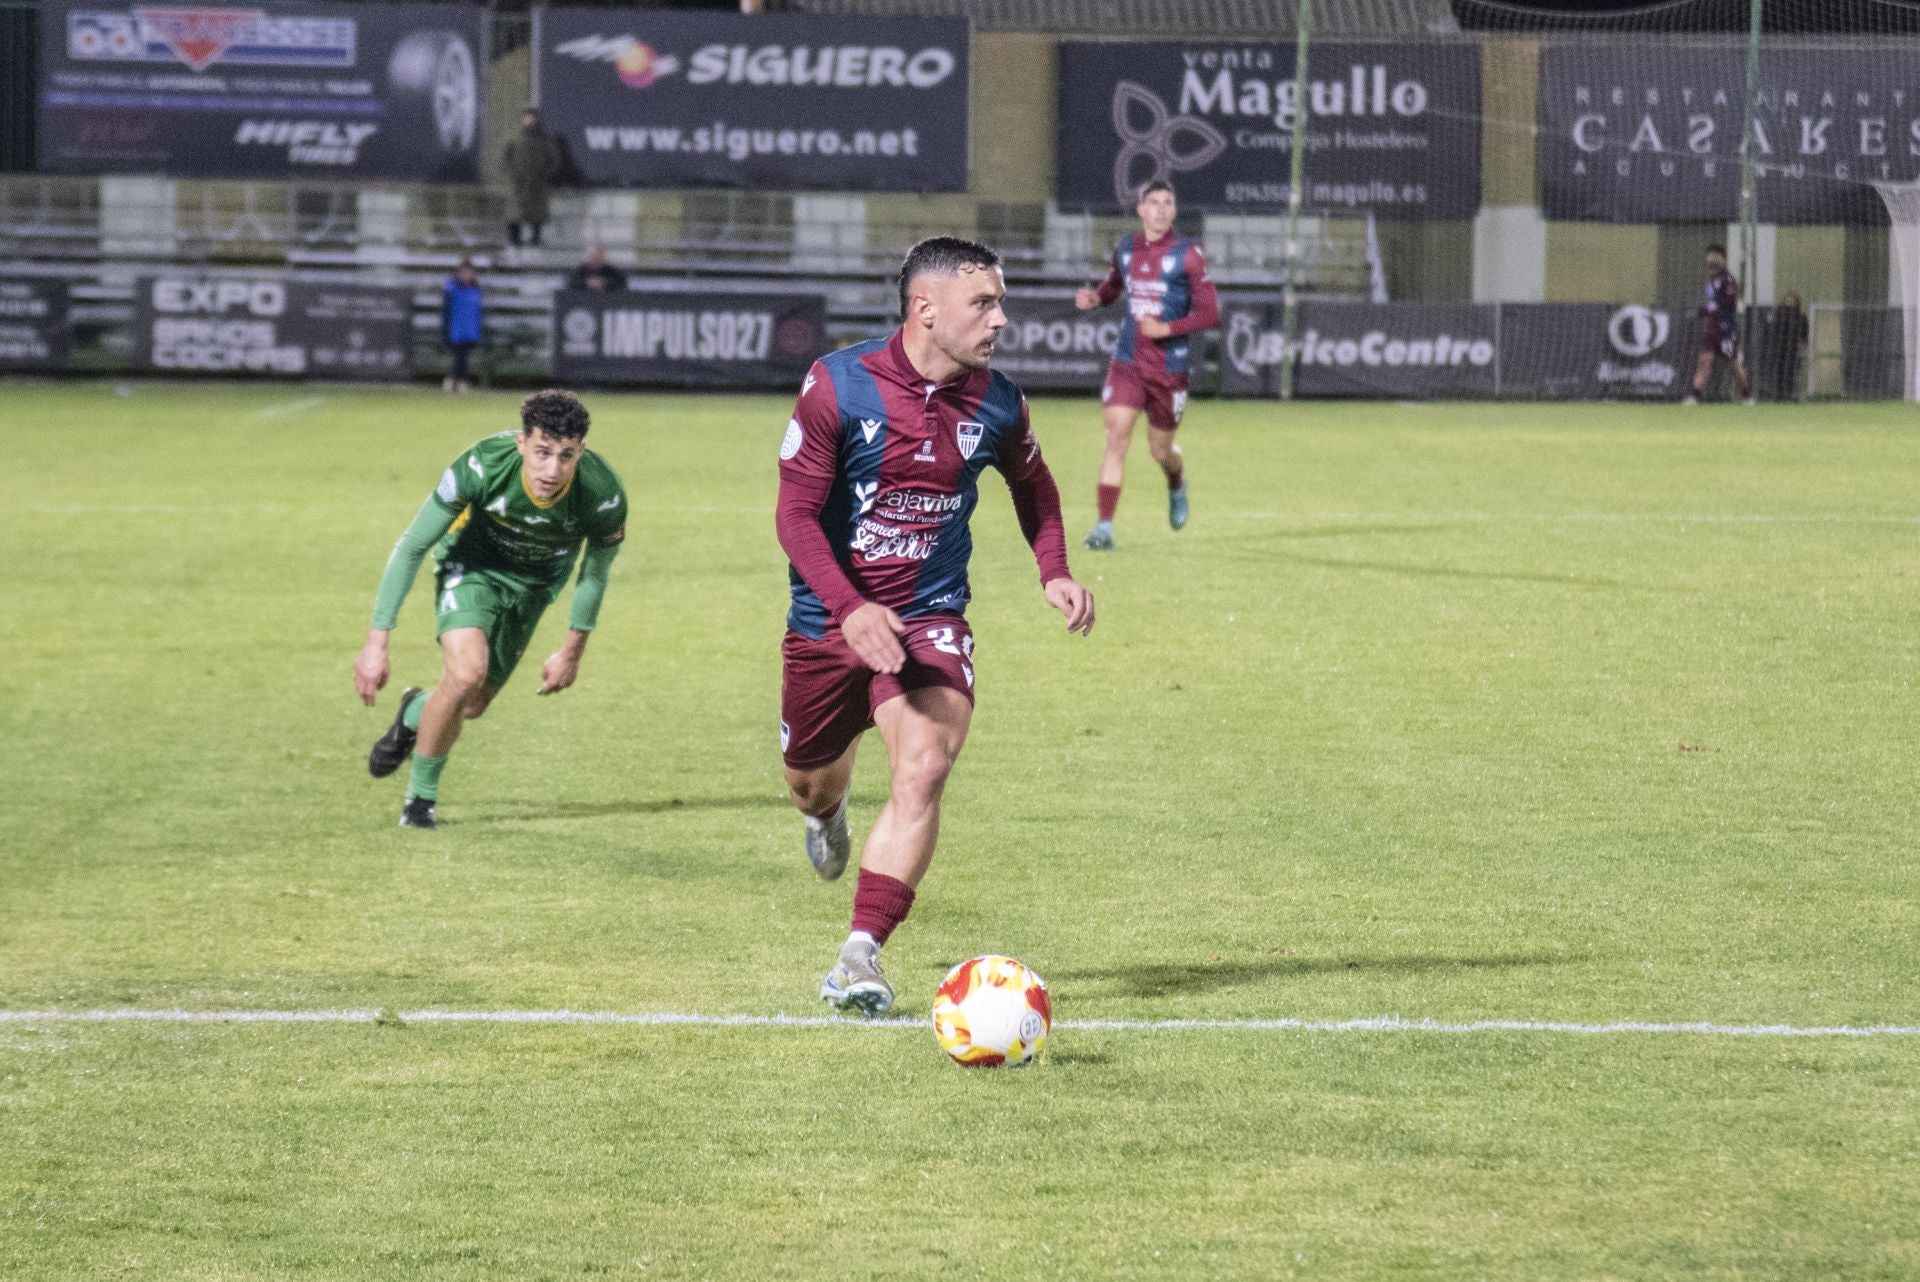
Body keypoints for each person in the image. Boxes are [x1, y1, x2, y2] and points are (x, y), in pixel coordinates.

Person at [776, 236, 1096, 1016]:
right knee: (809, 783)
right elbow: (794, 517)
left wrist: (1052, 568)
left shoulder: (999, 401)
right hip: (828, 619)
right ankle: (827, 811)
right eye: (983, 303)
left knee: (924, 765)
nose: (1002, 319)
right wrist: (851, 611)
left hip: (928, 614)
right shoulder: (838, 386)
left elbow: (1036, 485)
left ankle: (860, 955)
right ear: (926, 310)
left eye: (1000, 301)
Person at [353, 390, 627, 830]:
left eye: (566, 456)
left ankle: (413, 710)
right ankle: (419, 804)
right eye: (541, 452)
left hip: (534, 589)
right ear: (521, 444)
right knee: (465, 675)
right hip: (472, 568)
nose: (552, 470)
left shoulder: (603, 496)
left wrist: (571, 652)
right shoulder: (482, 464)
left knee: (472, 703)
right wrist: (375, 642)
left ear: (581, 451)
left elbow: (594, 574)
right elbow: (412, 545)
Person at [1074, 179, 1218, 550]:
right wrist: (1095, 298)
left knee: (1160, 450)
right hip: (1128, 361)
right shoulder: (1126, 248)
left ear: (1174, 210)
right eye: (1153, 202)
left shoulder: (1189, 254)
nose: (1161, 209)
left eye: (1168, 202)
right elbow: (1113, 287)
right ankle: (1104, 527)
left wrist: (1167, 327)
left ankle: (1176, 482)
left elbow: (1210, 313)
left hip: (1170, 369)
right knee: (1116, 437)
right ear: (1140, 209)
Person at [1685, 243, 1753, 404]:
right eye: (1709, 255)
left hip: (1725, 329)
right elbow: (1712, 303)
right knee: (1704, 361)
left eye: (1716, 255)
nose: (1712, 258)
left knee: (1734, 365)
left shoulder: (1728, 279)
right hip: (1712, 328)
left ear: (1723, 258)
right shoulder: (1711, 280)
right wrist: (1702, 312)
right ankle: (1694, 396)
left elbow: (1727, 302)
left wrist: (1706, 310)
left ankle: (1746, 396)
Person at [503, 109, 561, 249]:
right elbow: (505, 159)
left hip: (538, 185)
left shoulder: (545, 139)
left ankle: (536, 238)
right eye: (527, 118)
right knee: (515, 213)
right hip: (519, 184)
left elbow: (554, 160)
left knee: (537, 214)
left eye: (532, 118)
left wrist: (544, 175)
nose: (529, 121)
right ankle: (514, 239)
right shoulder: (514, 138)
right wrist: (513, 174)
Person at [440, 258, 483, 394]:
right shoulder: (451, 290)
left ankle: (456, 381)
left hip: (470, 330)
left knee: (463, 357)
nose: (467, 276)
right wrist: (446, 330)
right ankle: (456, 381)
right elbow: (446, 312)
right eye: (464, 273)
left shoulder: (475, 290)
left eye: (469, 273)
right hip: (455, 330)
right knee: (459, 357)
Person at [1773, 291, 1809, 402]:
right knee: (1779, 371)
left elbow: (1804, 334)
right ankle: (1779, 394)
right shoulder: (1779, 315)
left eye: (1792, 302)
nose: (1789, 305)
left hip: (1793, 350)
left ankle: (1790, 394)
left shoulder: (1801, 317)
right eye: (1787, 302)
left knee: (1791, 372)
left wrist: (1803, 345)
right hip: (1779, 349)